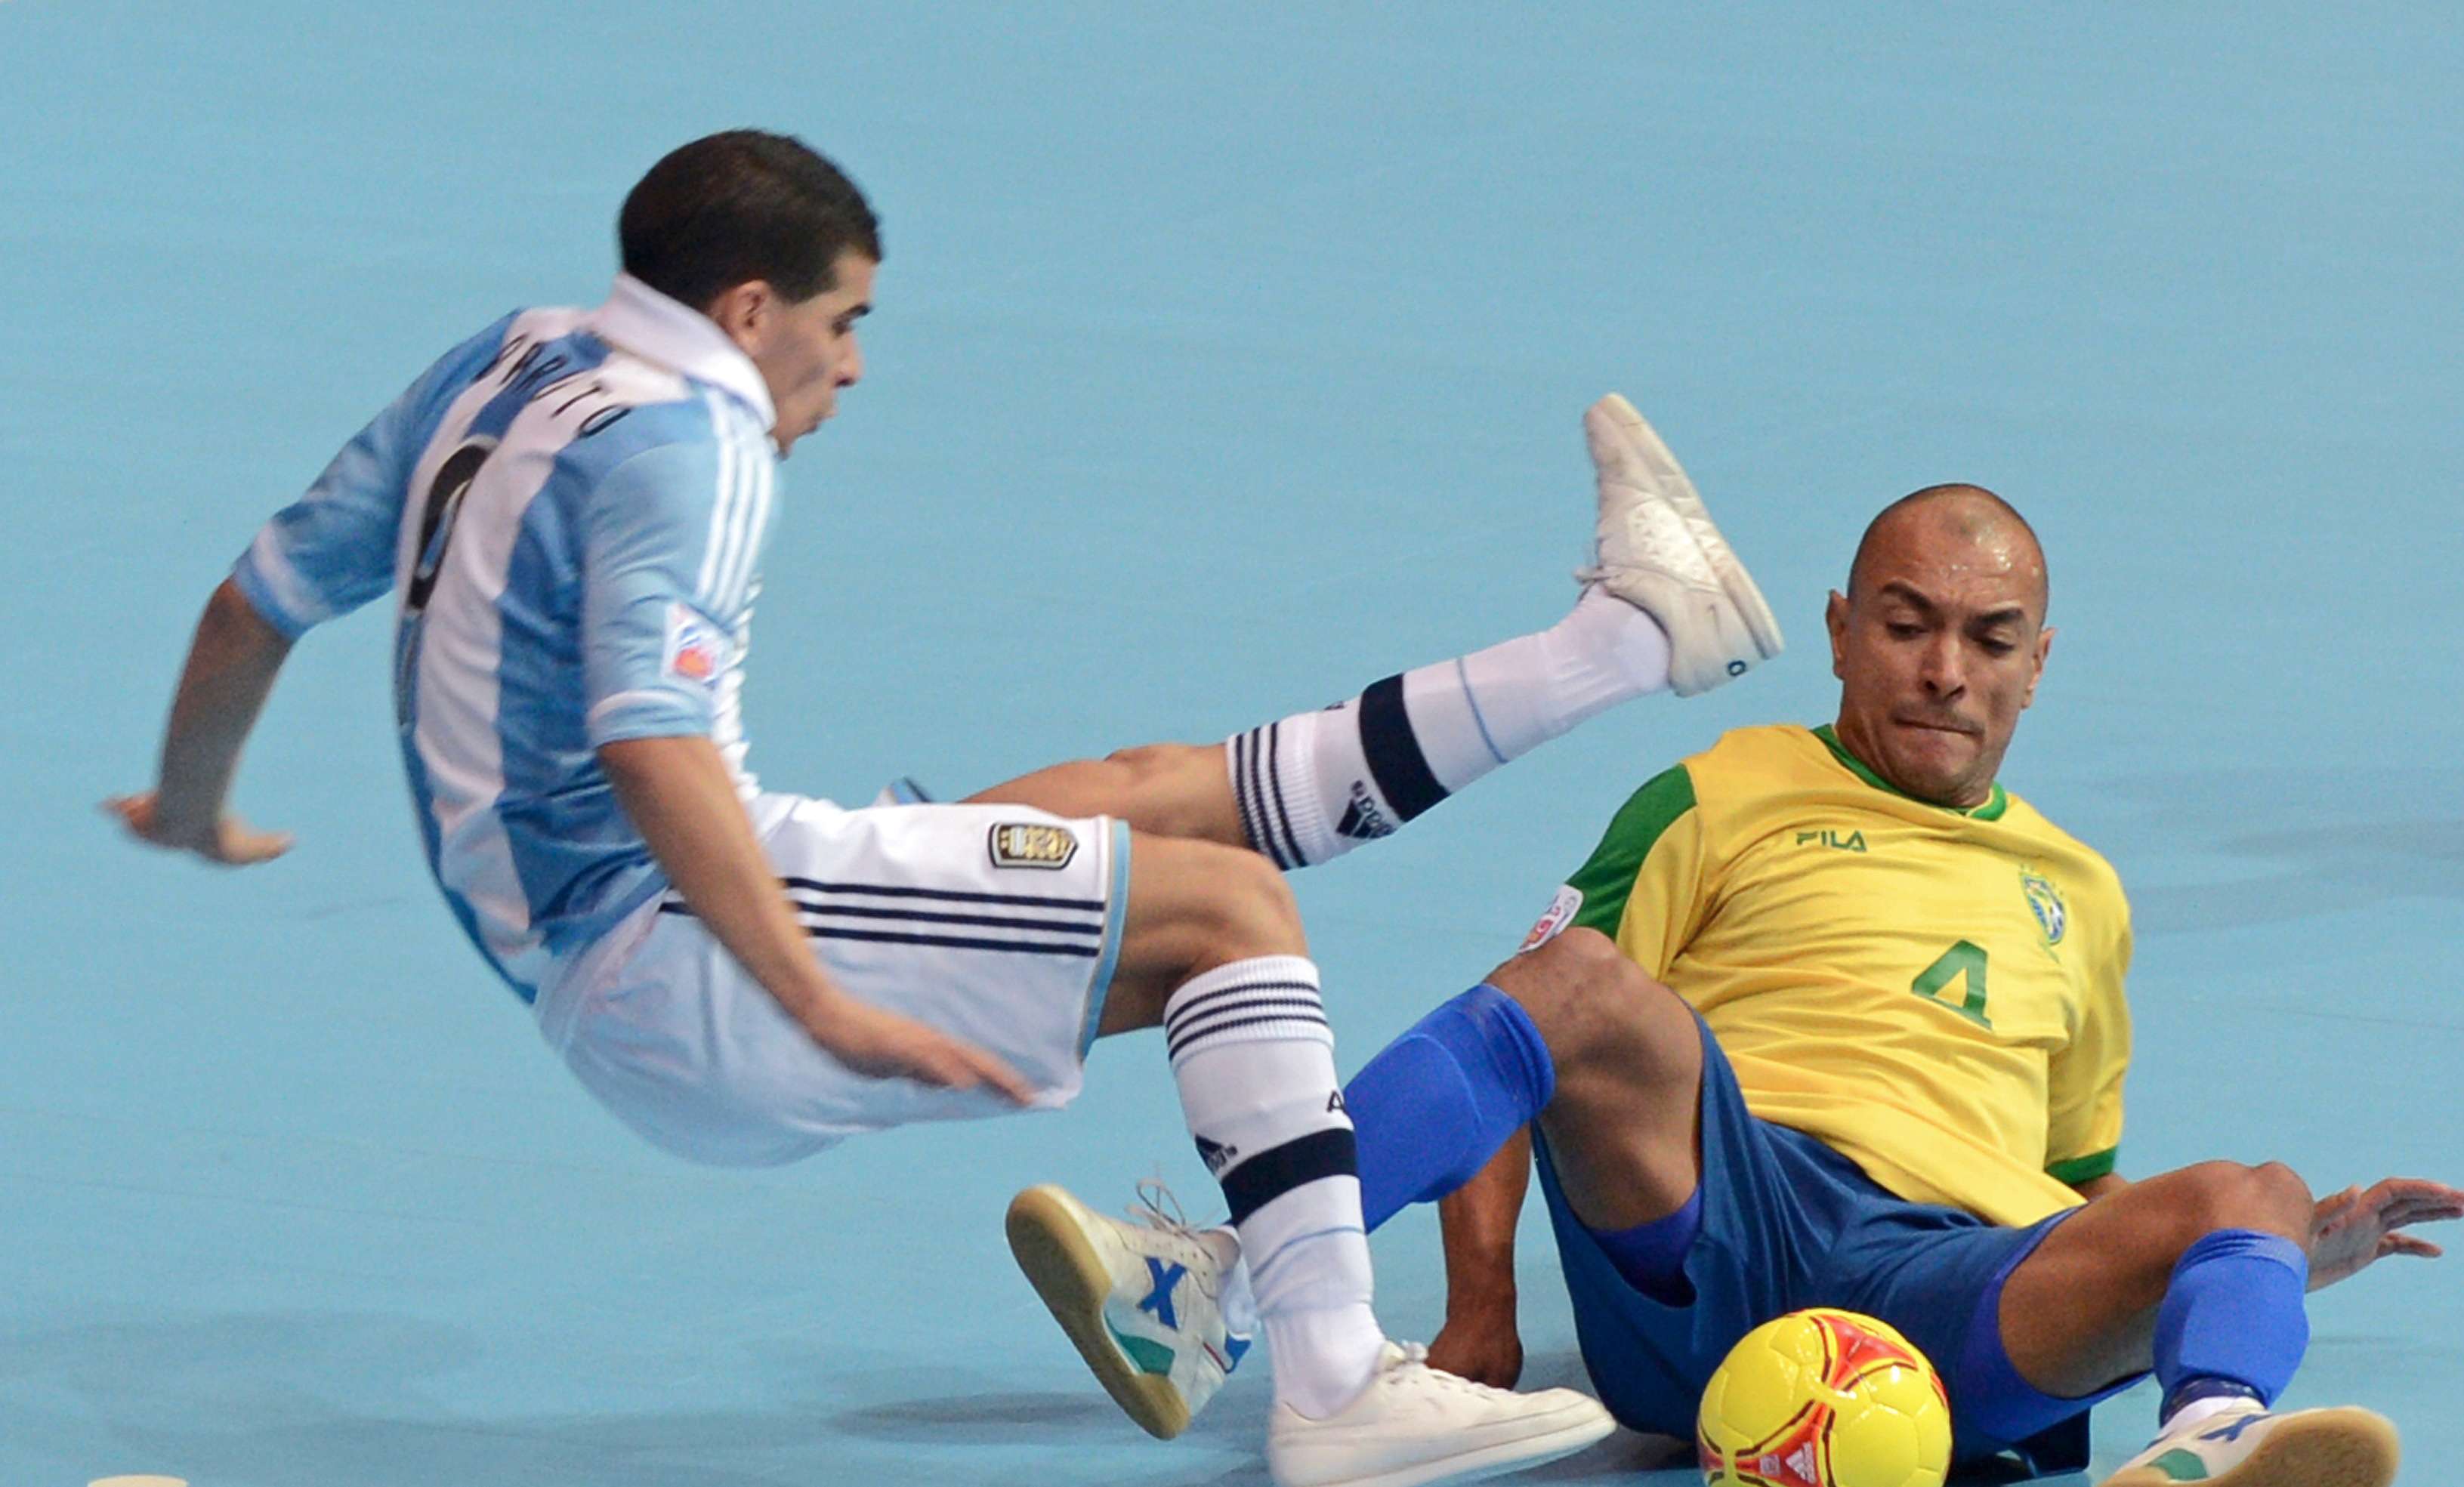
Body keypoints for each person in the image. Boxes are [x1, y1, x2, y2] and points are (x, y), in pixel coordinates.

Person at [103, 130, 1795, 1487]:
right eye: (844, 325)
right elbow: (654, 749)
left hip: (631, 942)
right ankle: (1339, 1383)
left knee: (1123, 799)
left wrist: (191, 806)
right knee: (1224, 906)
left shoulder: (515, 361)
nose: (849, 370)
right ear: (751, 308)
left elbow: (260, 595)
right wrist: (821, 997)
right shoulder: (694, 445)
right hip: (680, 958)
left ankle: (1626, 639)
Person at [1028, 485, 2464, 1487]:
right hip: (1722, 1218)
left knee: (2254, 1187)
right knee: (1584, 980)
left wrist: (2254, 1263)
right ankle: (1212, 1281)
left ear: (2041, 664)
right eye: (1908, 624)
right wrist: (1480, 1305)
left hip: (1949, 1288)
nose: (1946, 670)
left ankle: (2205, 1436)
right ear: (1841, 629)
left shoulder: (2081, 893)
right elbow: (1528, 1023)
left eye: (1991, 638)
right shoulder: (1721, 790)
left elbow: (2078, 1190)